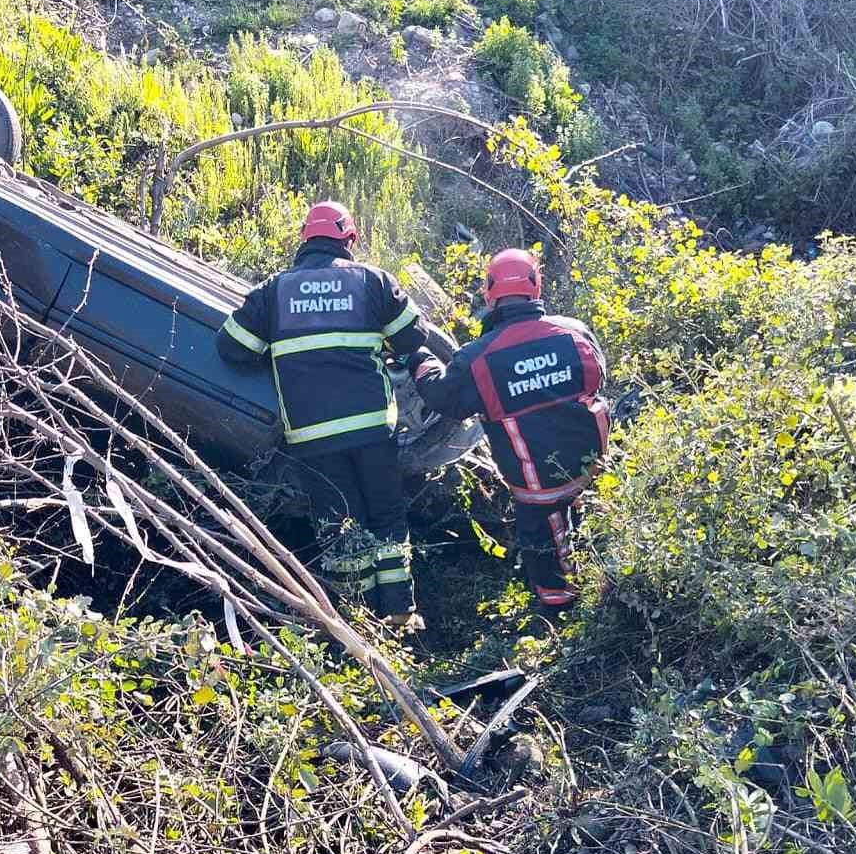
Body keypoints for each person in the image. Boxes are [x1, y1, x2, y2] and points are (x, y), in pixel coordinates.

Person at [216, 201, 430, 628]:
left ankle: (357, 622)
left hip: (312, 436)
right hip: (372, 426)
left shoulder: (273, 292)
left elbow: (232, 348)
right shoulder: (373, 281)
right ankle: (400, 611)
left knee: (339, 523)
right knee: (385, 515)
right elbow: (414, 335)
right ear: (350, 240)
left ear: (303, 240)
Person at [408, 248, 608, 612]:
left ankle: (558, 609)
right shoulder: (575, 331)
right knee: (576, 513)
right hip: (592, 462)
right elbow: (598, 377)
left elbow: (442, 397)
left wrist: (419, 358)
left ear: (490, 292)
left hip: (537, 481)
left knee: (542, 537)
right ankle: (594, 567)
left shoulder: (479, 357)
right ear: (536, 287)